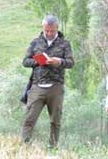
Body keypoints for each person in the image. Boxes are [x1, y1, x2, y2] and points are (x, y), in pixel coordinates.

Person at [21, 14, 74, 147]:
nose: (49, 33)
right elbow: (25, 61)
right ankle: (24, 145)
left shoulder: (65, 44)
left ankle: (53, 147)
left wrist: (59, 61)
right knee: (29, 118)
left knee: (55, 120)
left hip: (56, 87)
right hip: (37, 86)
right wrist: (38, 62)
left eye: (52, 31)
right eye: (47, 31)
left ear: (57, 28)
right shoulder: (35, 42)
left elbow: (71, 62)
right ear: (43, 28)